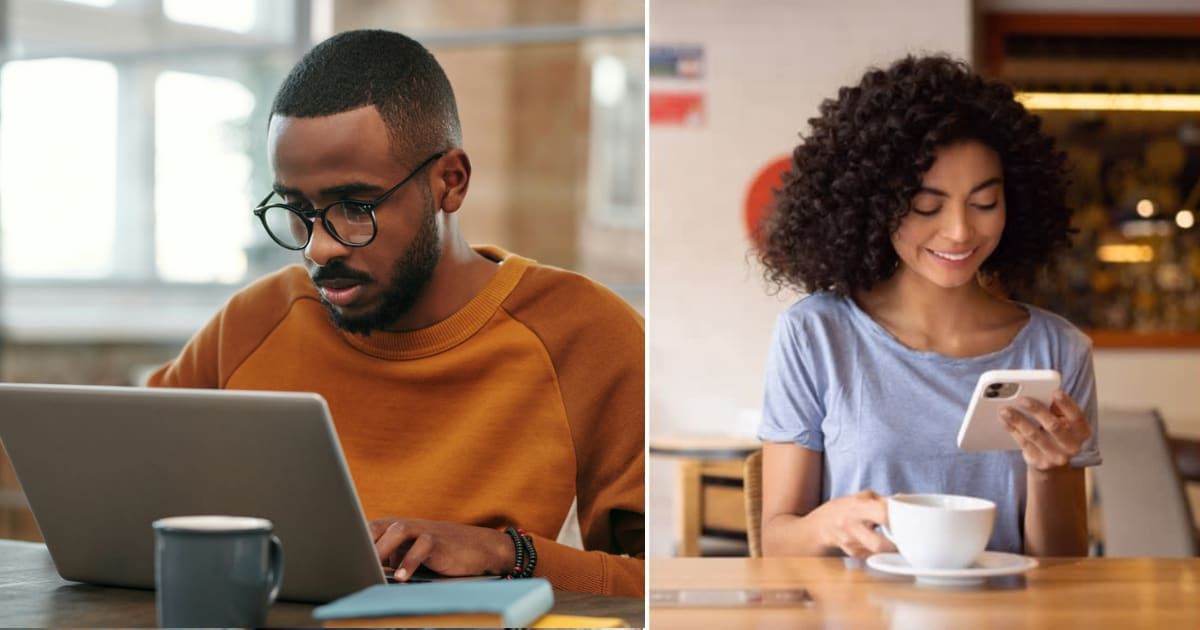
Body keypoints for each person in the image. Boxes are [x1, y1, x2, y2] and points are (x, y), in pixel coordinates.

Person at [148, 29, 644, 597]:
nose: (319, 248)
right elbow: (130, 502)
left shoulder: (584, 332)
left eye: (355, 207)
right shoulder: (254, 321)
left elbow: (662, 584)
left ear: (450, 183)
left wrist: (508, 553)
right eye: (297, 210)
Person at [756, 55, 1100, 560]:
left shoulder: (1057, 350)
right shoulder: (816, 335)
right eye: (926, 206)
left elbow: (1063, 567)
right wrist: (830, 524)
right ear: (874, 203)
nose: (960, 231)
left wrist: (1048, 470)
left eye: (984, 203)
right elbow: (777, 543)